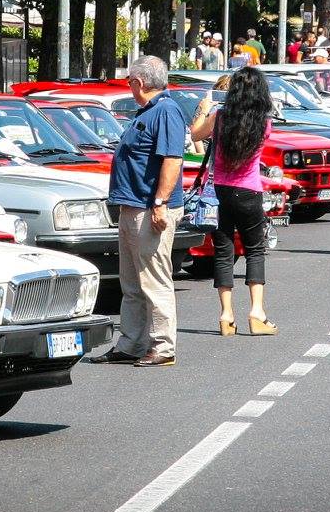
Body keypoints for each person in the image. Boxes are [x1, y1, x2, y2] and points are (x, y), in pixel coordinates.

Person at [93, 55, 187, 367]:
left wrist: (160, 203)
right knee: (132, 282)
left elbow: (172, 160)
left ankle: (162, 346)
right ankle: (132, 343)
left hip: (149, 209)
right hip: (133, 207)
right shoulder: (149, 111)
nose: (129, 86)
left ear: (139, 83)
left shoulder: (166, 111)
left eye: (130, 81)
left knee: (154, 280)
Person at [189, 67, 279, 338]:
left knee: (224, 250)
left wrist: (204, 108)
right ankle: (257, 313)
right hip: (249, 191)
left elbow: (194, 135)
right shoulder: (264, 122)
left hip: (220, 191)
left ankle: (226, 316)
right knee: (254, 250)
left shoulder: (219, 117)